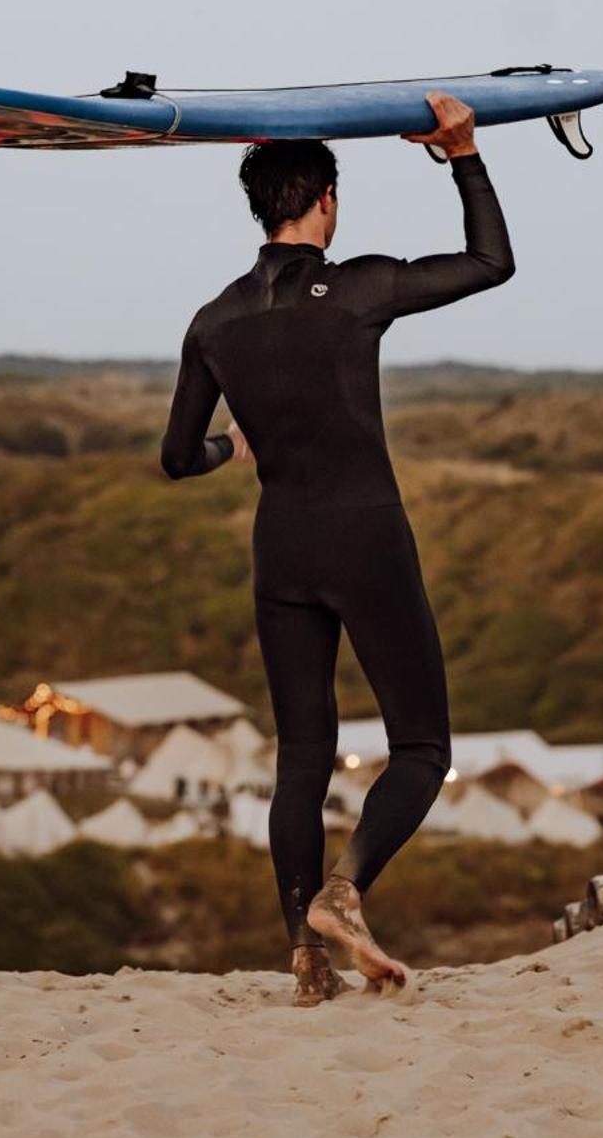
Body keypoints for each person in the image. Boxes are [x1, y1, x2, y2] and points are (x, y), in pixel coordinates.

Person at [158, 92, 514, 1007]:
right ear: (324, 198)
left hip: (281, 549)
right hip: (365, 534)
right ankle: (344, 891)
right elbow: (489, 261)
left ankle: (303, 956)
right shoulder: (356, 288)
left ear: (259, 204)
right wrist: (463, 154)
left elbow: (173, 458)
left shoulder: (213, 320)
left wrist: (231, 447)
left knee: (302, 755)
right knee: (422, 747)